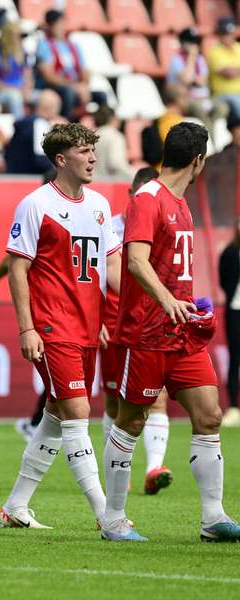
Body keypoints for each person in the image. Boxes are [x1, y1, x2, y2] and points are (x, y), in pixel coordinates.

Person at [103, 122, 240, 542]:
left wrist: (187, 303)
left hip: (181, 334)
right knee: (130, 421)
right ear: (198, 160)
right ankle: (113, 519)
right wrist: (166, 300)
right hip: (144, 333)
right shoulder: (148, 200)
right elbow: (136, 262)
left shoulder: (181, 204)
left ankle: (212, 519)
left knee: (210, 415)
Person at [0, 123, 120, 530]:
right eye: (84, 151)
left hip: (87, 327)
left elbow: (113, 267)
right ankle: (108, 516)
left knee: (55, 412)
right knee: (77, 412)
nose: (92, 158)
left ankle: (15, 506)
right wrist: (26, 328)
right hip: (52, 327)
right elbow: (19, 268)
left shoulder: (101, 205)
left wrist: (149, 297)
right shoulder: (35, 204)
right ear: (61, 159)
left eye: (93, 151)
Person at [98, 167, 174, 497]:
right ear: (130, 195)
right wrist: (97, 321)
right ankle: (118, 471)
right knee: (116, 405)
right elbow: (94, 281)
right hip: (116, 329)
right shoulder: (109, 230)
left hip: (154, 328)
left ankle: (154, 467)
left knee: (158, 398)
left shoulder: (166, 232)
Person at [35, 10, 96, 118]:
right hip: (57, 87)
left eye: (63, 23)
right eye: (58, 24)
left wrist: (84, 85)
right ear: (50, 26)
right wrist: (74, 86)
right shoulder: (44, 46)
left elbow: (84, 71)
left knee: (101, 96)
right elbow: (49, 77)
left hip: (75, 87)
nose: (61, 27)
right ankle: (65, 129)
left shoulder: (73, 46)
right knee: (68, 93)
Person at [5, 90, 63, 175]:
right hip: (29, 179)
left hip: (13, 176)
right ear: (52, 108)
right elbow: (41, 159)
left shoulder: (26, 123)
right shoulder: (40, 124)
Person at [0, 21, 33, 119]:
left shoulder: (23, 52)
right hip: (0, 93)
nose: (21, 39)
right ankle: (20, 129)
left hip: (21, 91)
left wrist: (26, 89)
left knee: (48, 97)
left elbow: (28, 77)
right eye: (18, 36)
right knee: (15, 97)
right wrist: (16, 90)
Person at [219, 216, 240, 427]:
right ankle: (234, 406)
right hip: (235, 311)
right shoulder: (231, 252)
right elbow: (224, 279)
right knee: (235, 358)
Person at [206, 17, 240, 120]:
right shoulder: (214, 51)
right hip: (224, 94)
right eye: (224, 33)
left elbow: (233, 71)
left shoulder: (239, 47)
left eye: (229, 33)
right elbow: (229, 73)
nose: (227, 36)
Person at [92, 106, 132, 180]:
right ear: (113, 118)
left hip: (92, 183)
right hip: (110, 184)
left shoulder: (92, 136)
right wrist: (134, 175)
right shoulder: (115, 136)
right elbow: (116, 163)